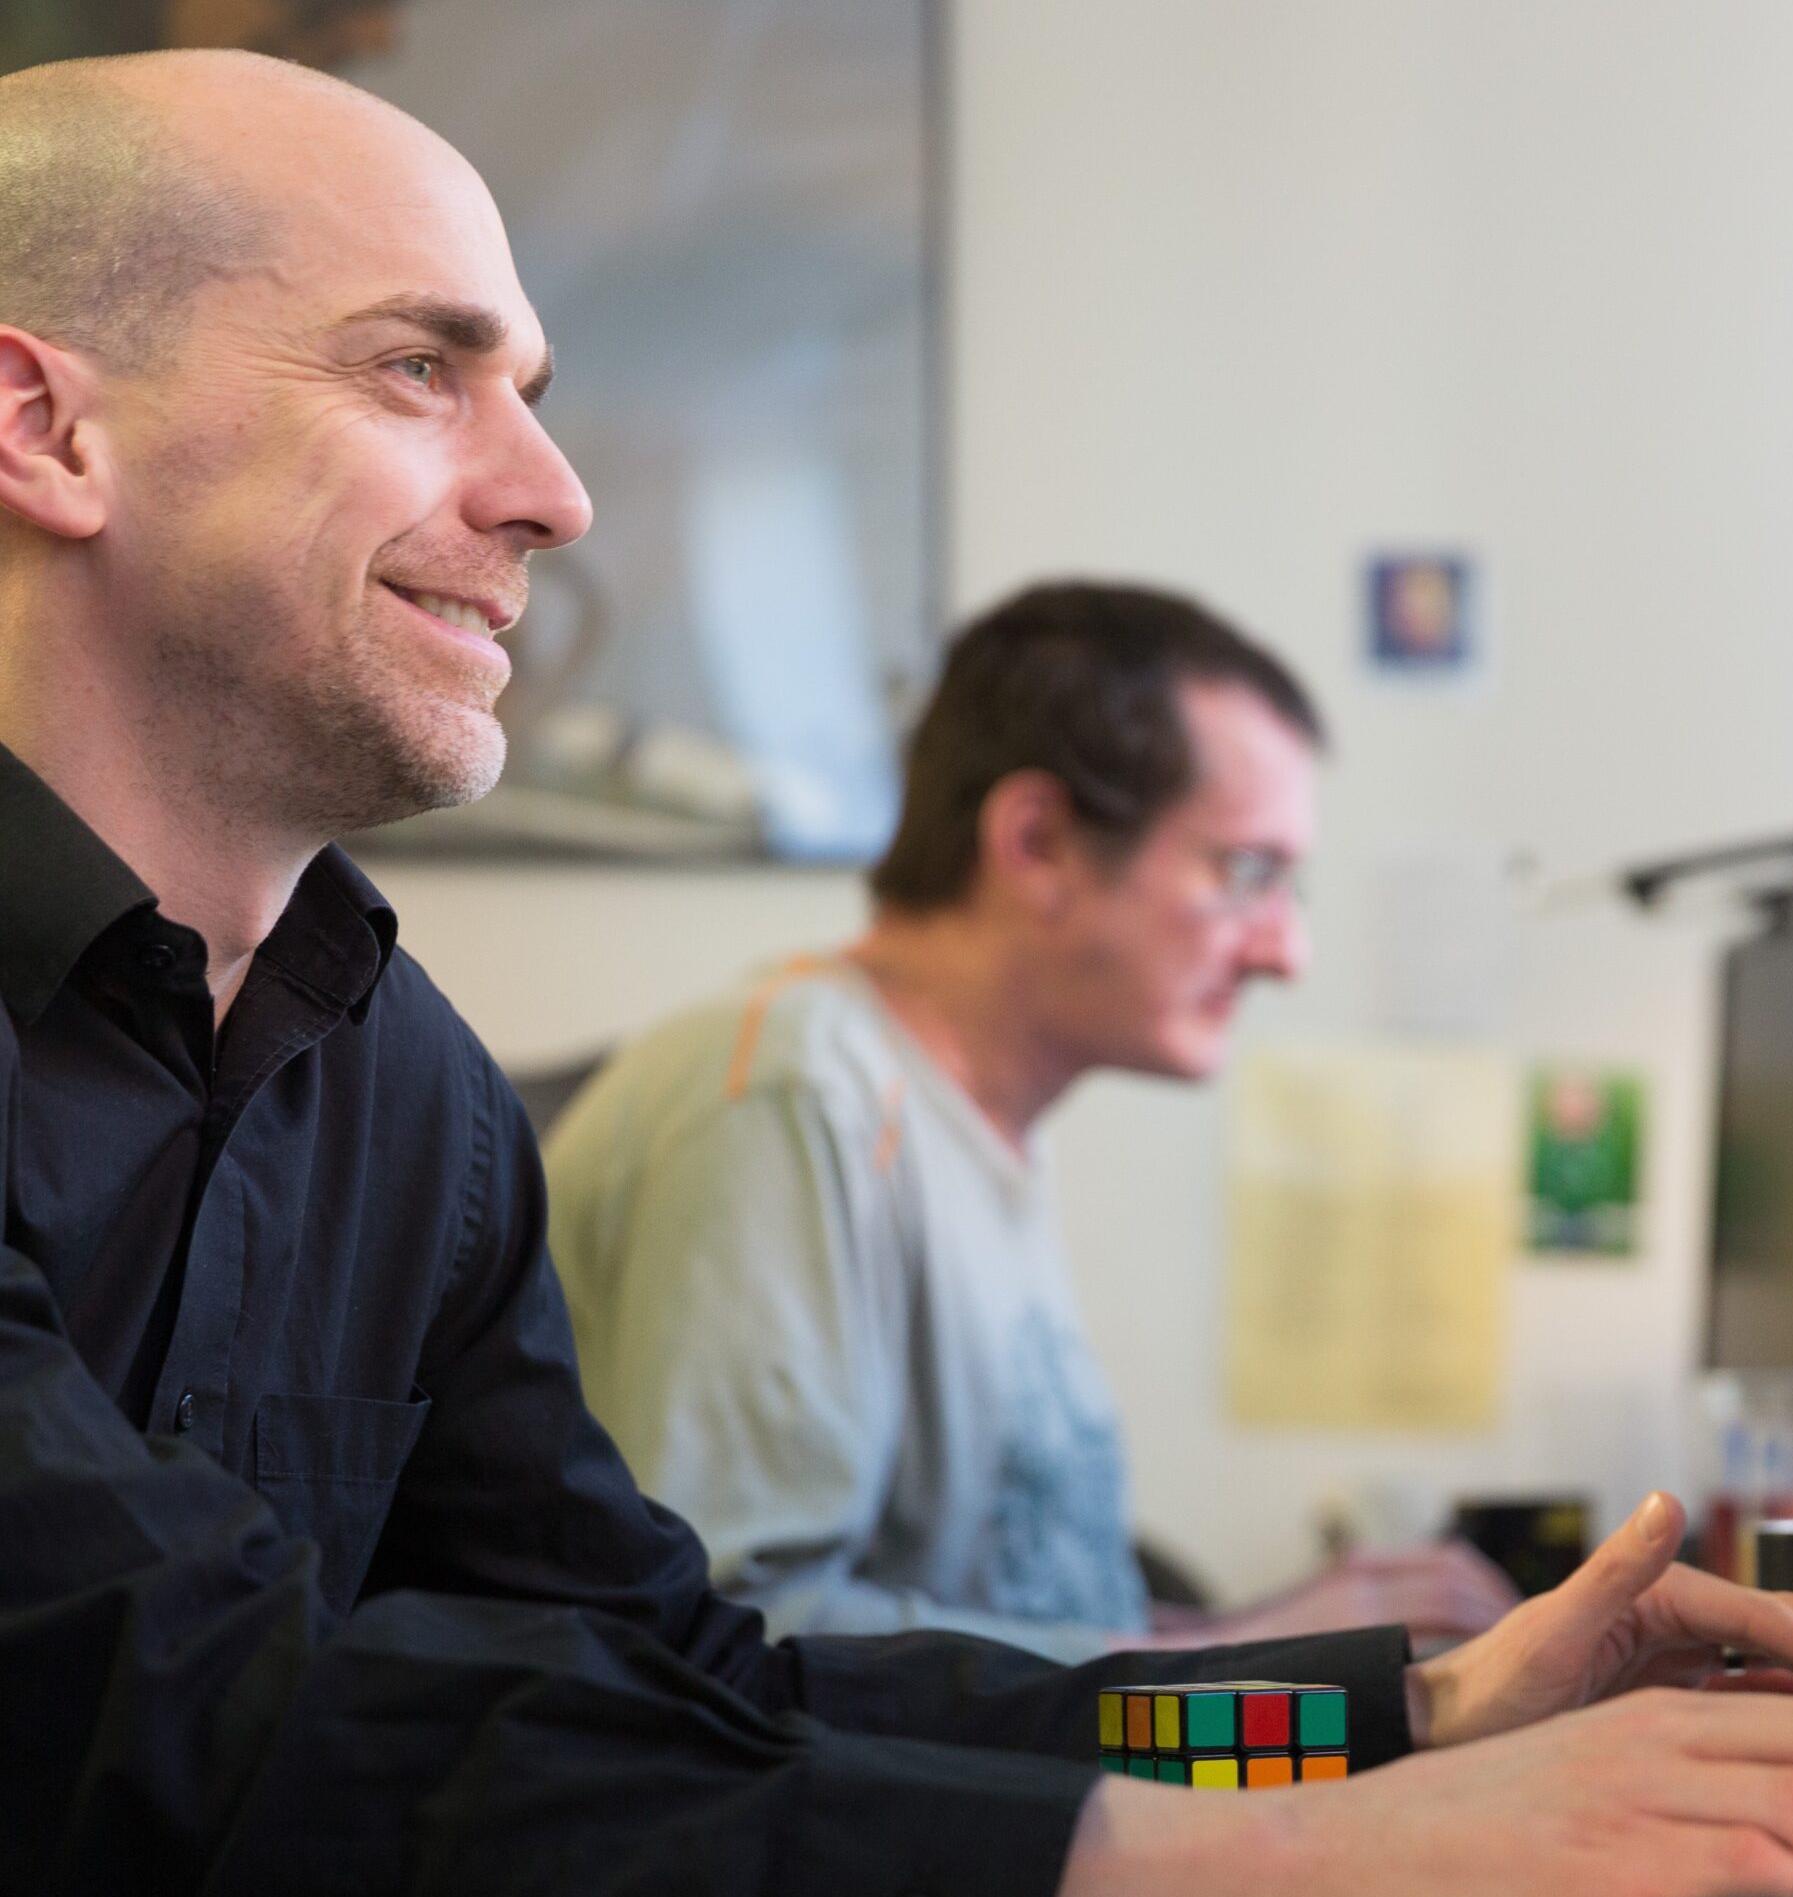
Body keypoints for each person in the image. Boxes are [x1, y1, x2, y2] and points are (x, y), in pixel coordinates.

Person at [0, 48, 1793, 1897]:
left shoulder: (391, 1082)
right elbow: (184, 1728)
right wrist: (1329, 1862)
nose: (552, 491)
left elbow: (705, 1678)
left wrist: (1397, 1716)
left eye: (532, 389)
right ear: (45, 427)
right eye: (420, 371)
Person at [544, 582, 1519, 1658]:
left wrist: (1274, 1637)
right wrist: (1243, 1668)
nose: (1288, 953)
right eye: (1247, 874)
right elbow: (734, 1642)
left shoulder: (976, 1116)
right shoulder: (793, 1098)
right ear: (1039, 841)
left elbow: (1016, 1617)